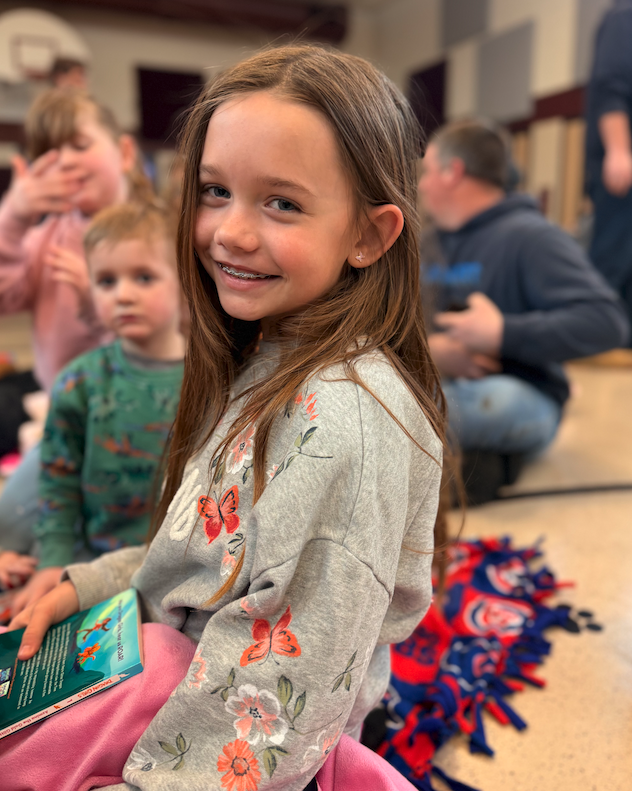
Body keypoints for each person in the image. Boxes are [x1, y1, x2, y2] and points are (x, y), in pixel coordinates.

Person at [2, 45, 445, 791]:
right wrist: (93, 583)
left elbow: (278, 693)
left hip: (226, 732)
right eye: (215, 191)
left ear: (369, 235)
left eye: (282, 203)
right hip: (171, 667)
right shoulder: (268, 351)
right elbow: (202, 556)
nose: (230, 232)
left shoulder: (344, 427)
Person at [419, 119, 629, 503]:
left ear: (454, 172)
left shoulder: (532, 237)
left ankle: (431, 468)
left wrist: (503, 334)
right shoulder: (424, 243)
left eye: (428, 171)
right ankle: (473, 467)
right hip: (439, 383)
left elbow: (608, 322)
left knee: (466, 406)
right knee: (396, 398)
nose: (421, 184)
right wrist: (433, 352)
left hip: (518, 394)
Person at [0, 88, 154, 572]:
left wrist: (101, 307)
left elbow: (179, 342)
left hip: (141, 430)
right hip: (68, 426)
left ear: (125, 152)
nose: (64, 161)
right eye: (50, 152)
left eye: (79, 144)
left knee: (107, 551)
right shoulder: (47, 235)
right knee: (13, 532)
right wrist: (15, 215)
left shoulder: (157, 234)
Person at [5, 202, 185, 615]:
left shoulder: (210, 382)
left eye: (143, 277)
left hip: (173, 569)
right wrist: (52, 562)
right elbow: (57, 481)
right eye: (106, 281)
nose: (123, 294)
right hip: (88, 562)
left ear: (184, 282)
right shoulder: (79, 383)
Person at [585, 0, 632, 338]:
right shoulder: (624, 16)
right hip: (624, 172)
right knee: (614, 263)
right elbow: (610, 89)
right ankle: (600, 343)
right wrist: (619, 150)